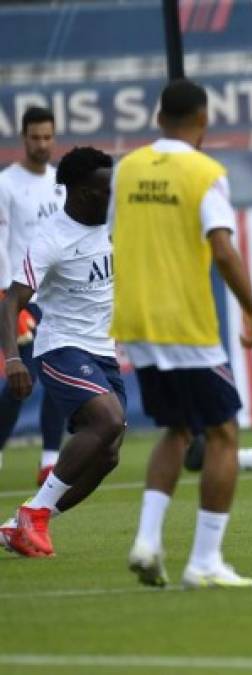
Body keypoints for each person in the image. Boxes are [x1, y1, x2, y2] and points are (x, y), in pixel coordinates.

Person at [112, 79, 252, 588]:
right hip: (183, 321)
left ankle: (147, 539)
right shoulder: (205, 173)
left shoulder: (127, 169)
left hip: (135, 321)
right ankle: (204, 561)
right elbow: (222, 248)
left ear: (159, 119)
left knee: (177, 428)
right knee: (223, 433)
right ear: (202, 122)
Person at [0, 147, 125, 557]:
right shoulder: (51, 239)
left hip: (103, 351)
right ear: (84, 192)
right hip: (61, 348)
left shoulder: (112, 223)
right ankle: (33, 516)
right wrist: (14, 358)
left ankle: (25, 521)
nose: (114, 195)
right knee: (108, 420)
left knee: (107, 454)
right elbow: (12, 300)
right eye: (107, 189)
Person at [0, 107, 67, 483]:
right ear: (23, 138)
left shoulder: (61, 184)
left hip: (57, 298)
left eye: (48, 137)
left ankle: (50, 459)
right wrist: (6, 300)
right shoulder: (6, 184)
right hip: (18, 297)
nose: (42, 144)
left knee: (58, 375)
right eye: (35, 137)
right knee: (20, 382)